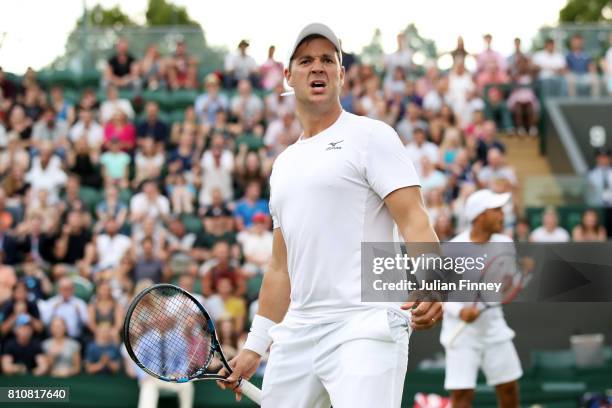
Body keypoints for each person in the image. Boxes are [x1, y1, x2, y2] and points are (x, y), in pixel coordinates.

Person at [217, 23, 442, 407]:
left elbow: (414, 219)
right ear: (288, 76)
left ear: (341, 75)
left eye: (327, 60)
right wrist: (256, 345)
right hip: (297, 333)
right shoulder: (283, 164)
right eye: (305, 60)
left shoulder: (372, 136)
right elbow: (279, 266)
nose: (317, 67)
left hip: (366, 325)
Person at [440, 189, 522, 408]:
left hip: (494, 327)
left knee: (509, 389)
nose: (502, 215)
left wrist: (509, 286)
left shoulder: (505, 242)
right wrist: (460, 311)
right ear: (479, 216)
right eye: (496, 210)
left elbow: (507, 281)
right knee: (462, 396)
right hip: (461, 332)